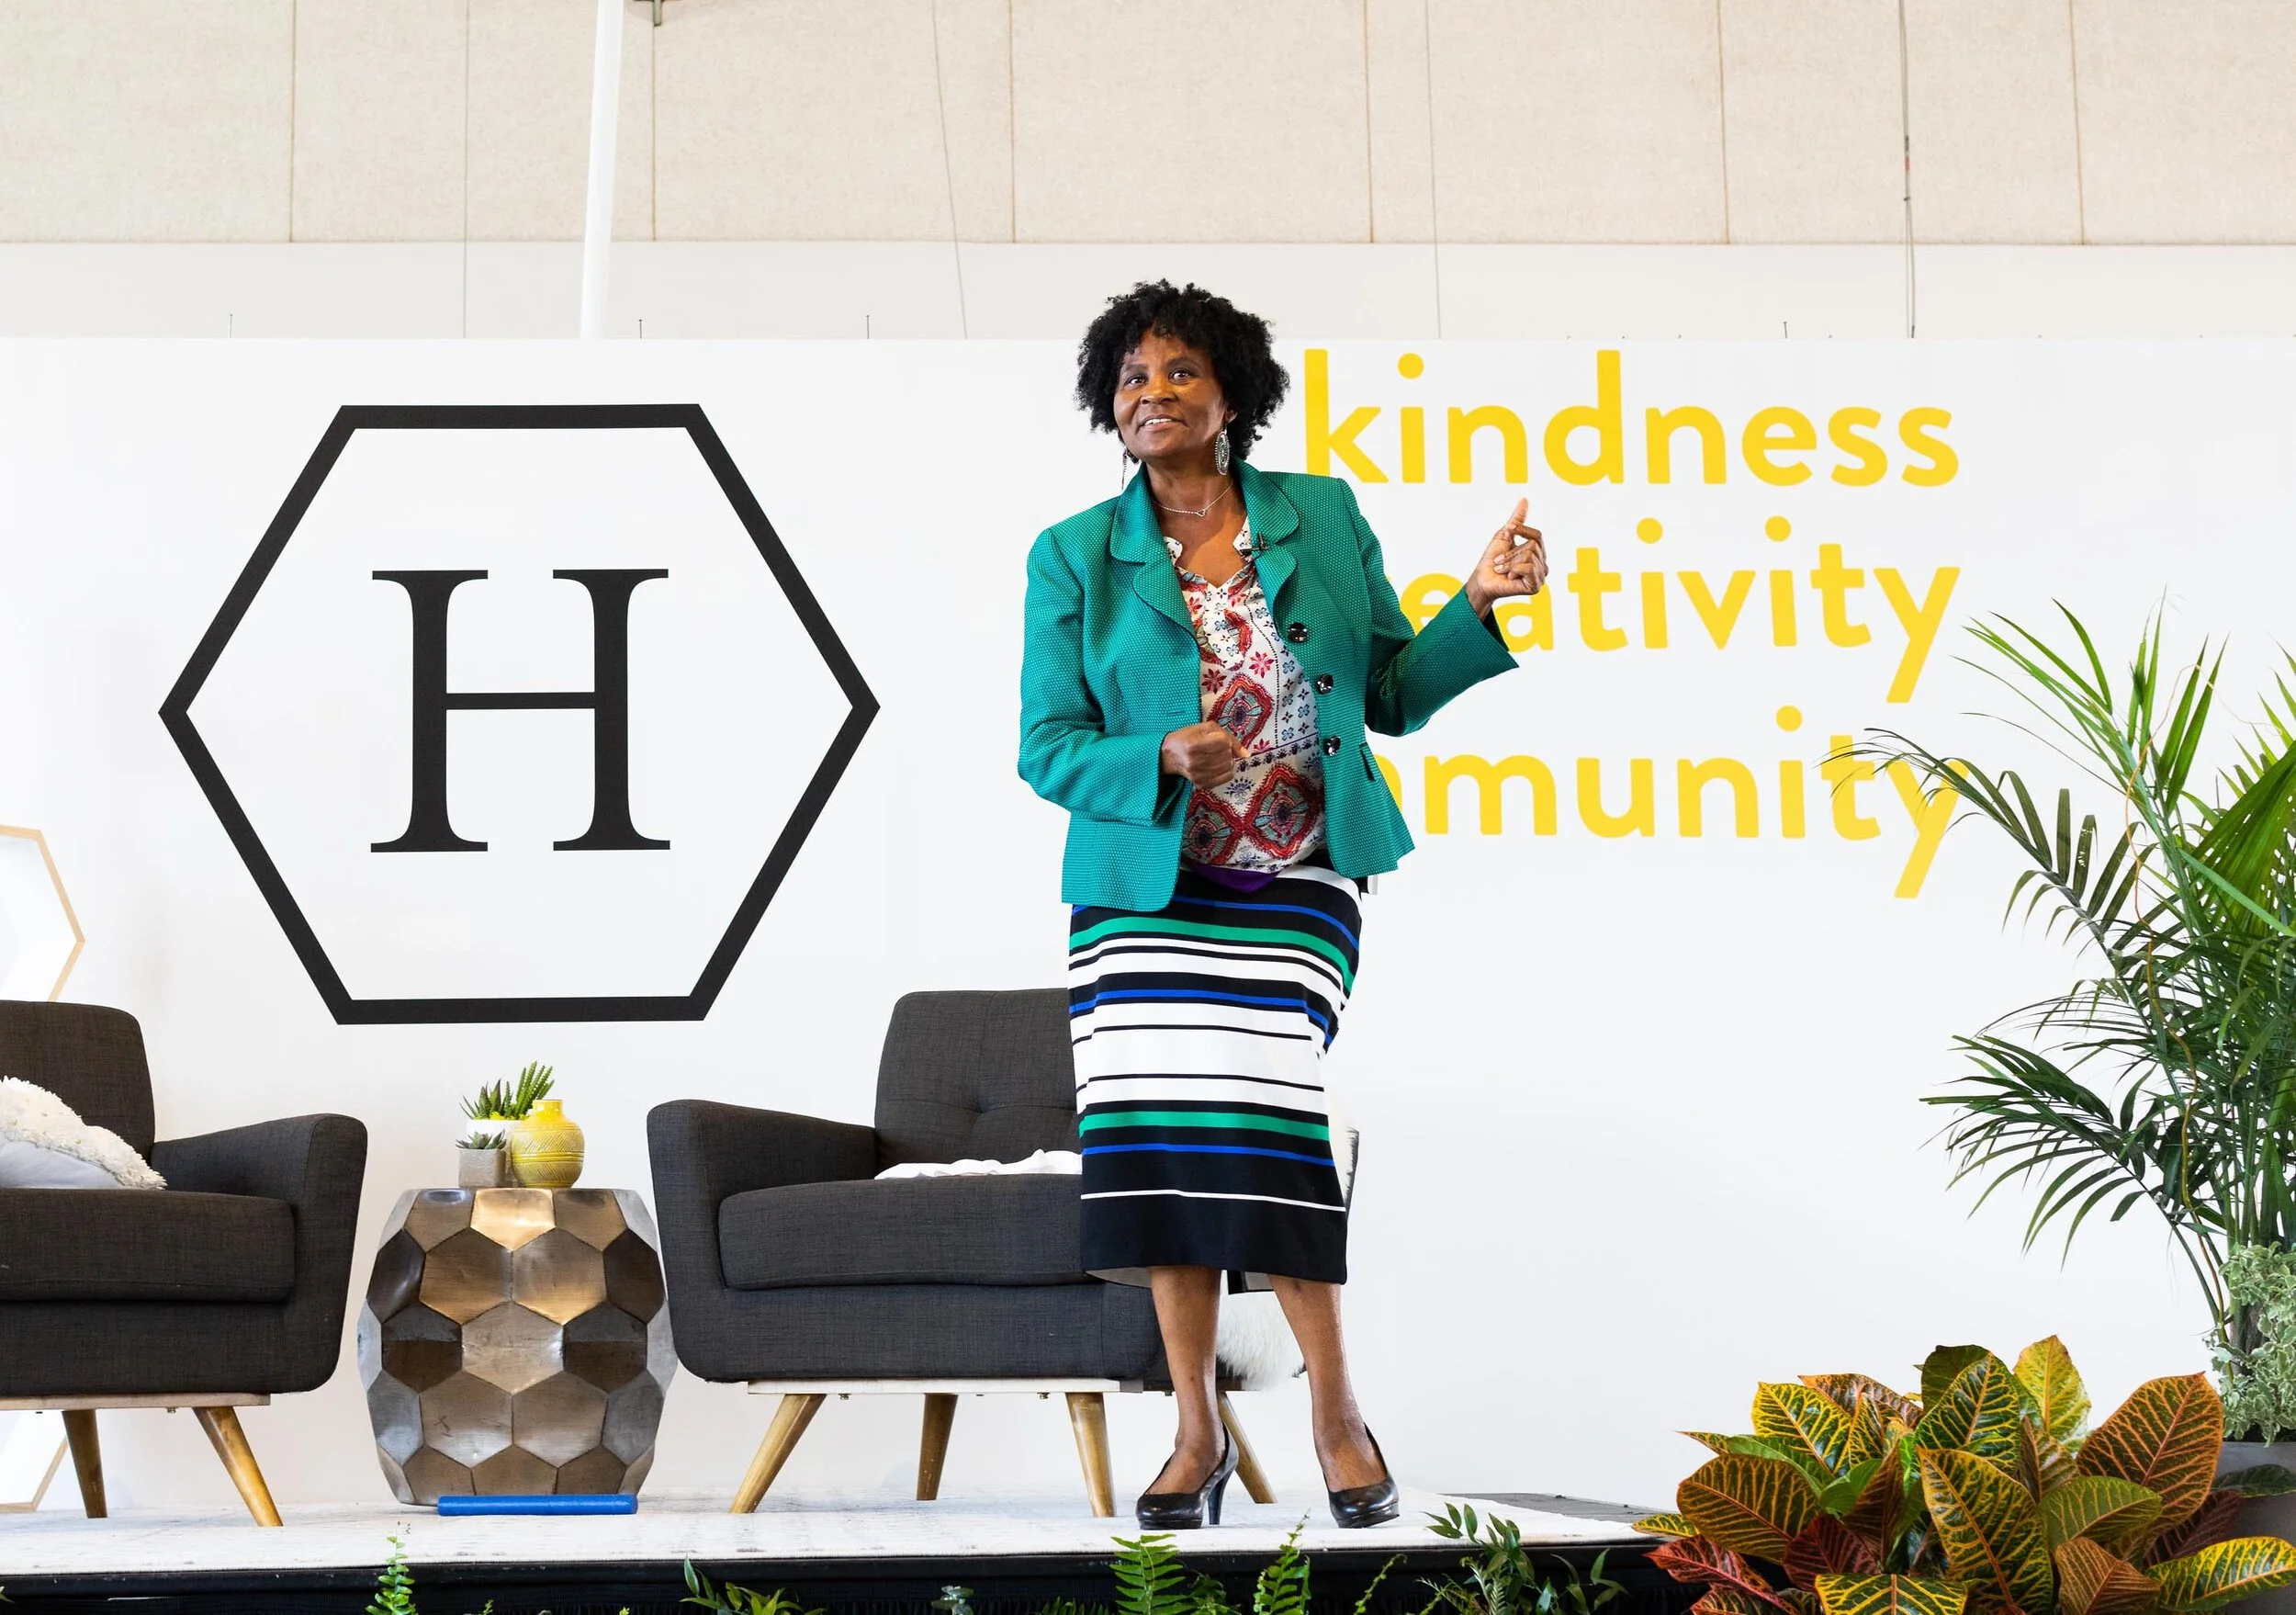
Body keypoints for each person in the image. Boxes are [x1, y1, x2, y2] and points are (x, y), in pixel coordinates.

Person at [1018, 281, 1547, 1530]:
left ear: (1233, 393)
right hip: (1143, 892)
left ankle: (1335, 1410)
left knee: (1268, 1109)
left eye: (1180, 373)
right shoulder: (1073, 556)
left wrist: (1476, 605)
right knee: (1158, 1137)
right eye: (1134, 379)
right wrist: (1155, 757)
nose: (1153, 396)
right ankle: (1195, 1429)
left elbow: (1397, 692)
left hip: (1298, 875)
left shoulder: (1320, 513)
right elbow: (1046, 745)